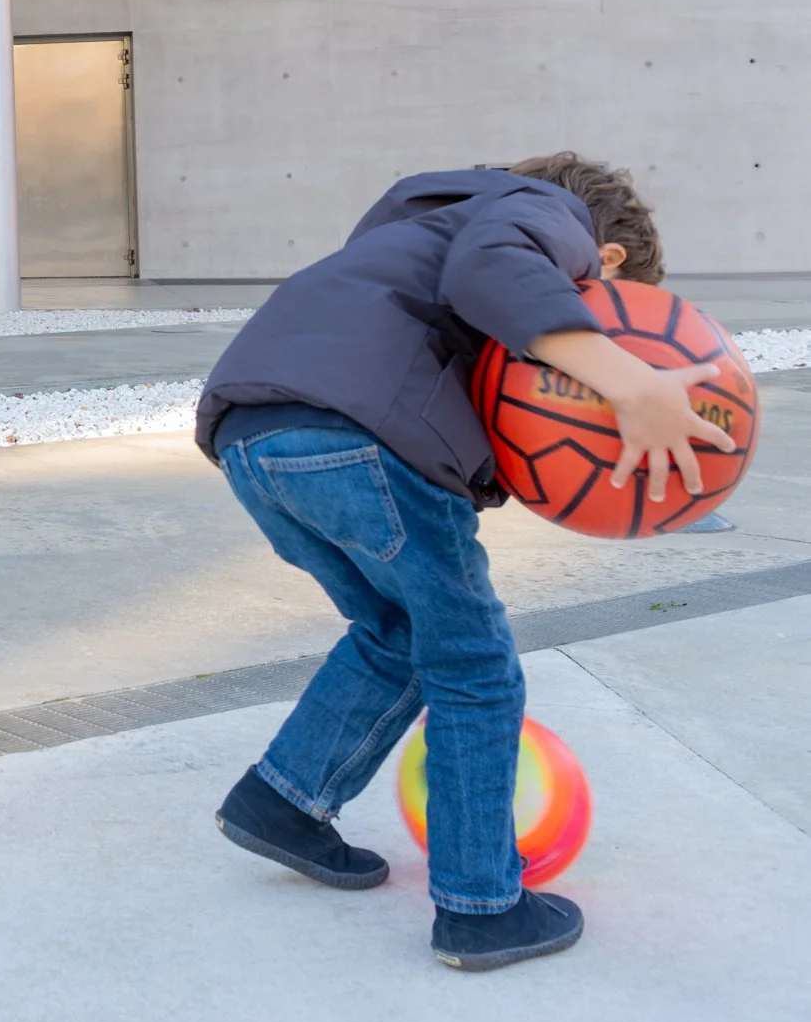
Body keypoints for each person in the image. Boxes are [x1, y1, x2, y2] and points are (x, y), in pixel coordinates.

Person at [199, 153, 734, 971]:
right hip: (358, 442)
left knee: (396, 630)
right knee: (473, 664)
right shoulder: (548, 216)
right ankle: (483, 906)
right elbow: (495, 271)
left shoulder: (425, 222)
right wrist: (627, 378)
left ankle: (284, 799)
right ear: (608, 261)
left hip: (253, 440)